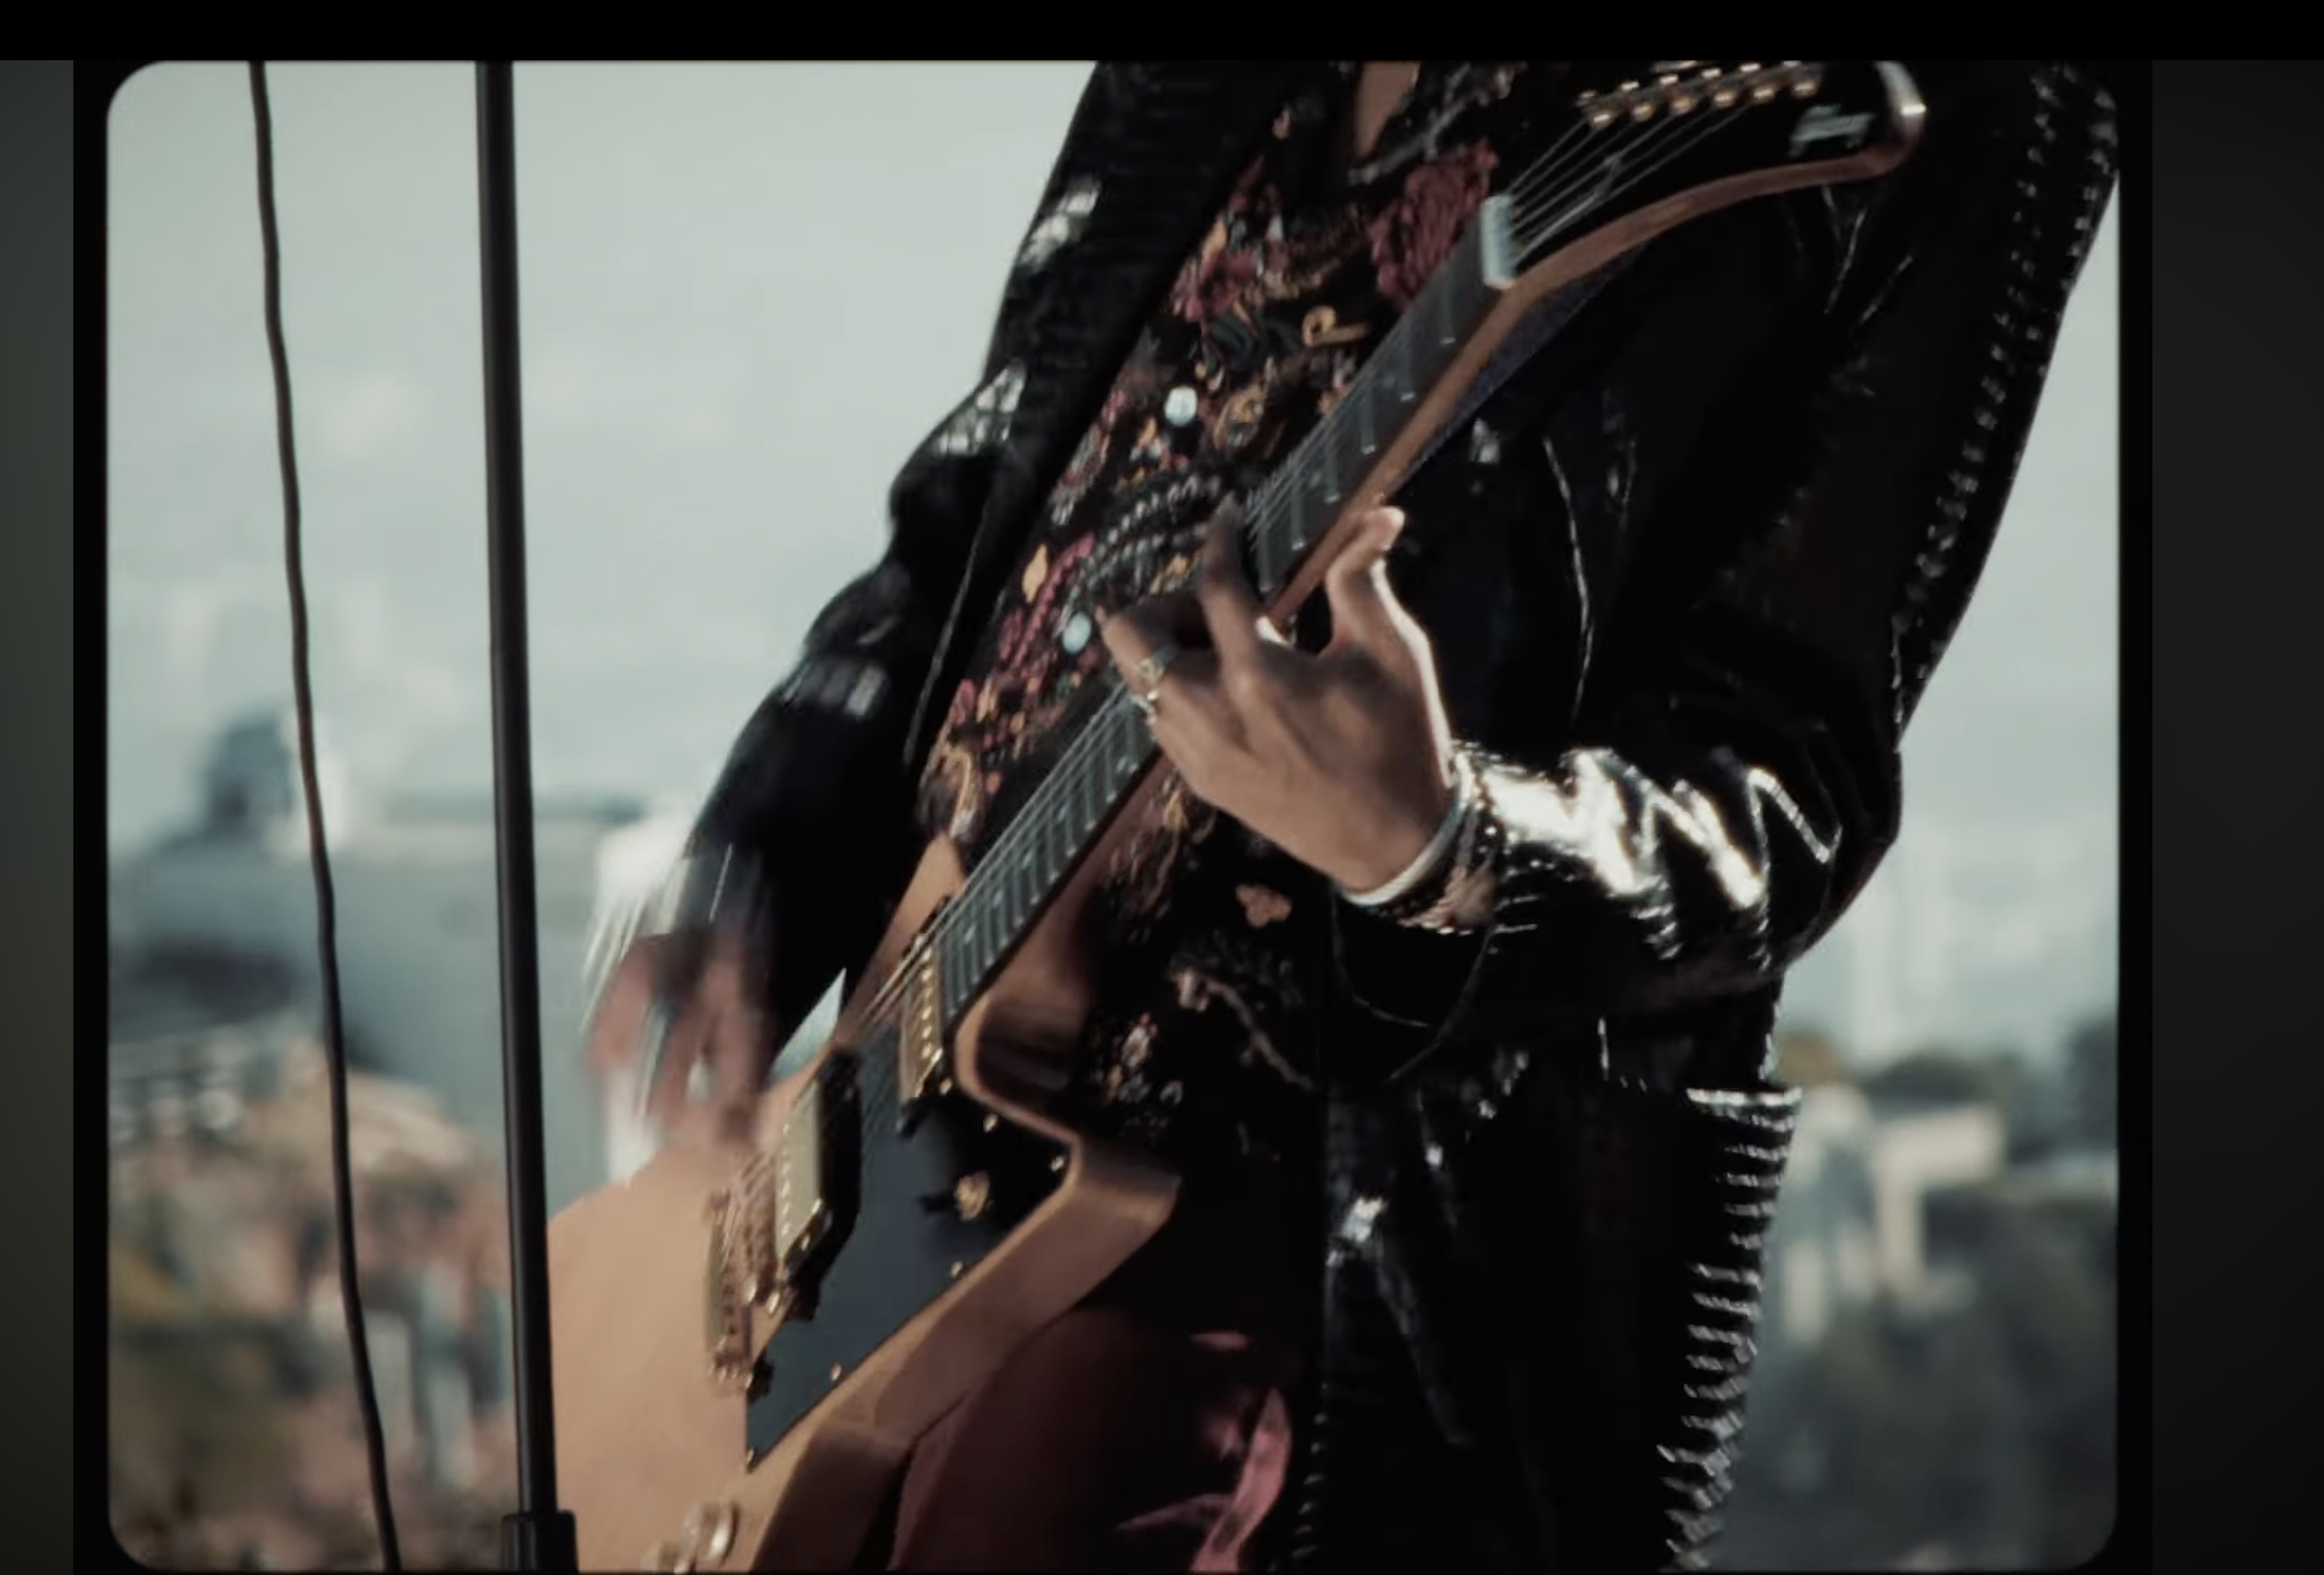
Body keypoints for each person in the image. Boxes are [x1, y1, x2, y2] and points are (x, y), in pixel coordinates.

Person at [583, 61, 2118, 1572]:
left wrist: (1439, 846)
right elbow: (985, 506)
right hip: (882, 1143)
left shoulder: (1967, 95)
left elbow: (1785, 781)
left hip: (1283, 1231)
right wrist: (763, 842)